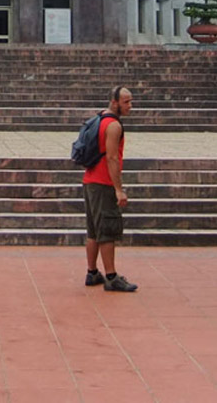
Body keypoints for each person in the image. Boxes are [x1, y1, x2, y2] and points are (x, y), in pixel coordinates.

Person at [83, 84, 137, 291]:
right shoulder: (114, 126)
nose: (130, 106)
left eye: (131, 101)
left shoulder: (99, 119)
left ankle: (92, 272)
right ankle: (112, 276)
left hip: (90, 180)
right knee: (107, 230)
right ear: (114, 103)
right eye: (126, 102)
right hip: (103, 183)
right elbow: (112, 158)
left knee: (93, 231)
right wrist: (118, 189)